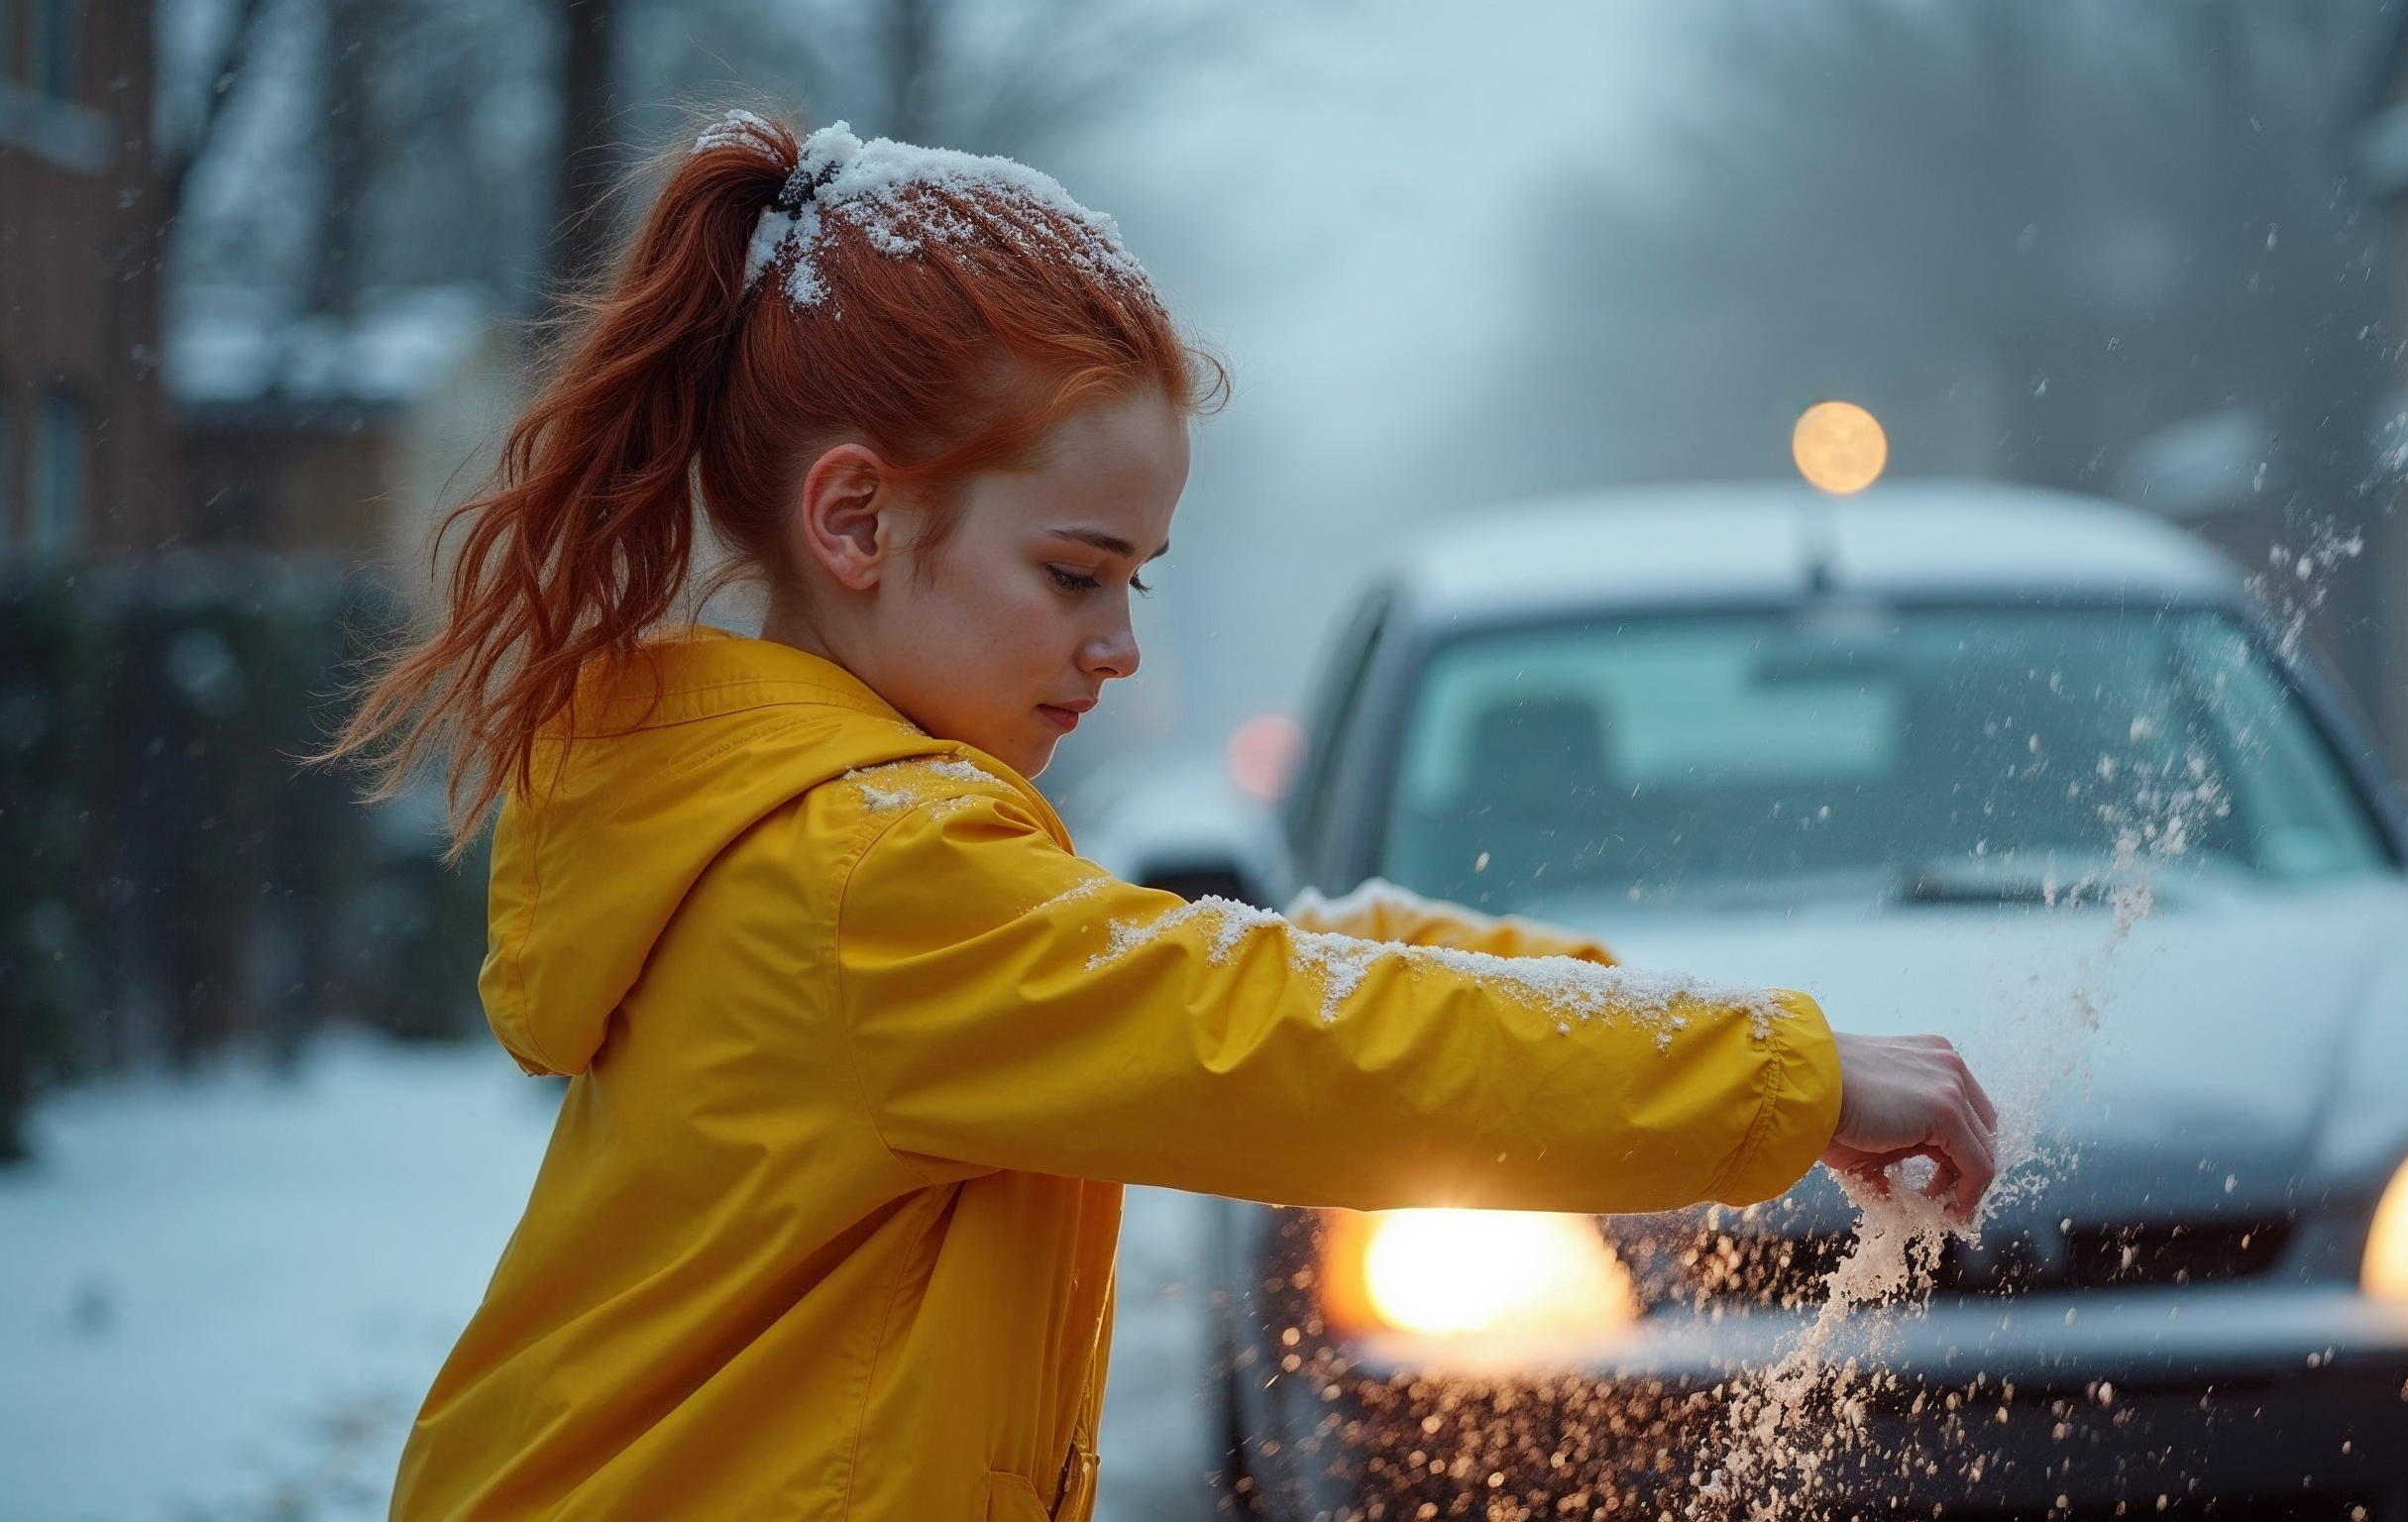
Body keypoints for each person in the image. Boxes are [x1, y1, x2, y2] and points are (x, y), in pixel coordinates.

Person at [335, 112, 1998, 1522]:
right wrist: (1780, 1078)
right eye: (1074, 575)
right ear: (853, 517)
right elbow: (1293, 1038)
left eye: (1135, 582)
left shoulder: (841, 853)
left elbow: (1276, 971)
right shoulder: (871, 880)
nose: (1120, 647)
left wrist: (1694, 1030)